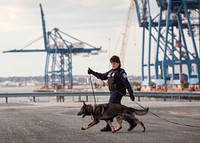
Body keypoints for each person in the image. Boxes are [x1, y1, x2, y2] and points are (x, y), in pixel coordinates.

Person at [88, 55, 136, 132]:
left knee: (109, 108)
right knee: (119, 110)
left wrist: (131, 93)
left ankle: (108, 126)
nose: (112, 64)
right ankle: (132, 122)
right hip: (113, 93)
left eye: (114, 63)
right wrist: (92, 72)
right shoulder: (111, 72)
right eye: (112, 63)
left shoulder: (121, 72)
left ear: (118, 63)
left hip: (118, 93)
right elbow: (102, 76)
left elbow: (126, 83)